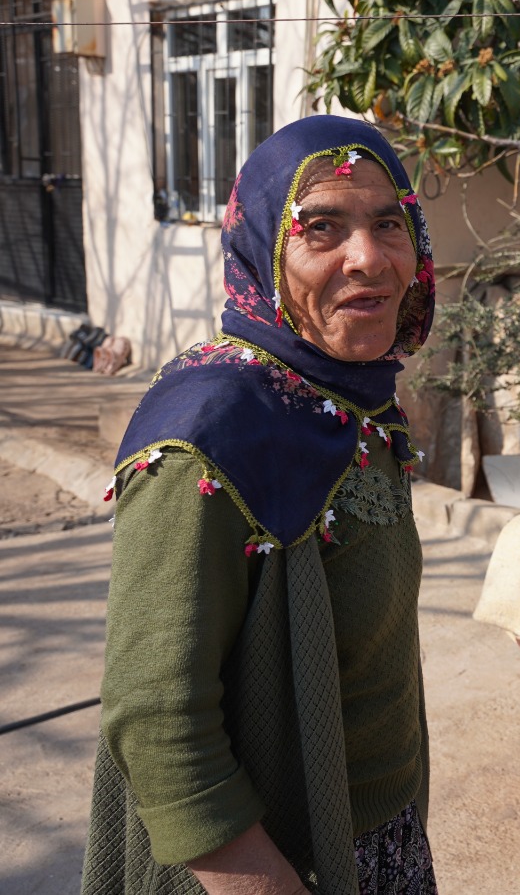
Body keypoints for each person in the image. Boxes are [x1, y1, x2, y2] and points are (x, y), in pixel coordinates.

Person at [82, 116, 438, 895]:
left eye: (389, 223)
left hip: (382, 840)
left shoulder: (355, 405)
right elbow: (158, 717)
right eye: (322, 229)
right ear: (264, 248)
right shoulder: (210, 431)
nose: (369, 258)